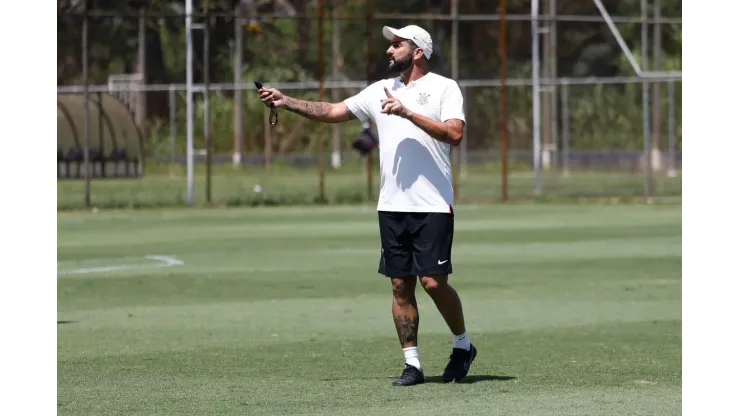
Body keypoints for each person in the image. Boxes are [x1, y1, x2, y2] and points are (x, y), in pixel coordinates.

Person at [257, 24, 476, 387]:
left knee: (434, 283)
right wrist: (287, 102)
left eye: (397, 45)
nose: (389, 50)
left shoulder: (444, 88)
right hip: (391, 205)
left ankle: (463, 346)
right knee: (399, 286)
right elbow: (331, 111)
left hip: (433, 205)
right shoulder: (380, 90)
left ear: (418, 51)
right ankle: (413, 364)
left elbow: (454, 134)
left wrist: (407, 113)